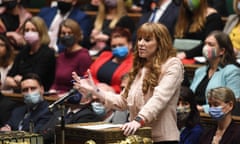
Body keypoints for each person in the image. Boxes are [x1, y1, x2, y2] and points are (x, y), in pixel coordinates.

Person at [73, 22, 184, 143]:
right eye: (139, 39)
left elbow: (159, 98)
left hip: (162, 139)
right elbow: (122, 101)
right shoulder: (140, 68)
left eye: (147, 40)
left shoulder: (173, 64)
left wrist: (139, 120)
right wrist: (95, 90)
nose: (141, 43)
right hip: (138, 137)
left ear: (160, 43)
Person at [190, 31, 240, 113]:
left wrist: (203, 109)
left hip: (216, 117)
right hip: (194, 115)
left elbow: (234, 100)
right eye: (205, 44)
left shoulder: (231, 71)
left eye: (211, 44)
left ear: (222, 51)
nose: (206, 47)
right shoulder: (200, 71)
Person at [4, 16, 56, 92]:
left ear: (41, 32)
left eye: (33, 30)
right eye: (27, 30)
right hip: (20, 93)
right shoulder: (23, 51)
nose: (29, 33)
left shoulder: (47, 53)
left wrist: (20, 80)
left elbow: (36, 80)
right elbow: (8, 78)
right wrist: (23, 82)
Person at [49, 18, 92, 94]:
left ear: (76, 35)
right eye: (63, 33)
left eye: (69, 33)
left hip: (72, 97)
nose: (66, 36)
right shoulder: (61, 56)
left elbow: (84, 84)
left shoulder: (83, 56)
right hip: (56, 96)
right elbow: (56, 82)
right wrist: (52, 90)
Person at [89, 27, 133, 94]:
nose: (117, 48)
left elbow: (130, 86)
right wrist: (98, 86)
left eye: (121, 45)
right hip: (94, 93)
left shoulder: (135, 62)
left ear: (130, 45)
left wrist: (111, 89)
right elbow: (89, 74)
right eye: (114, 46)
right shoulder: (104, 55)